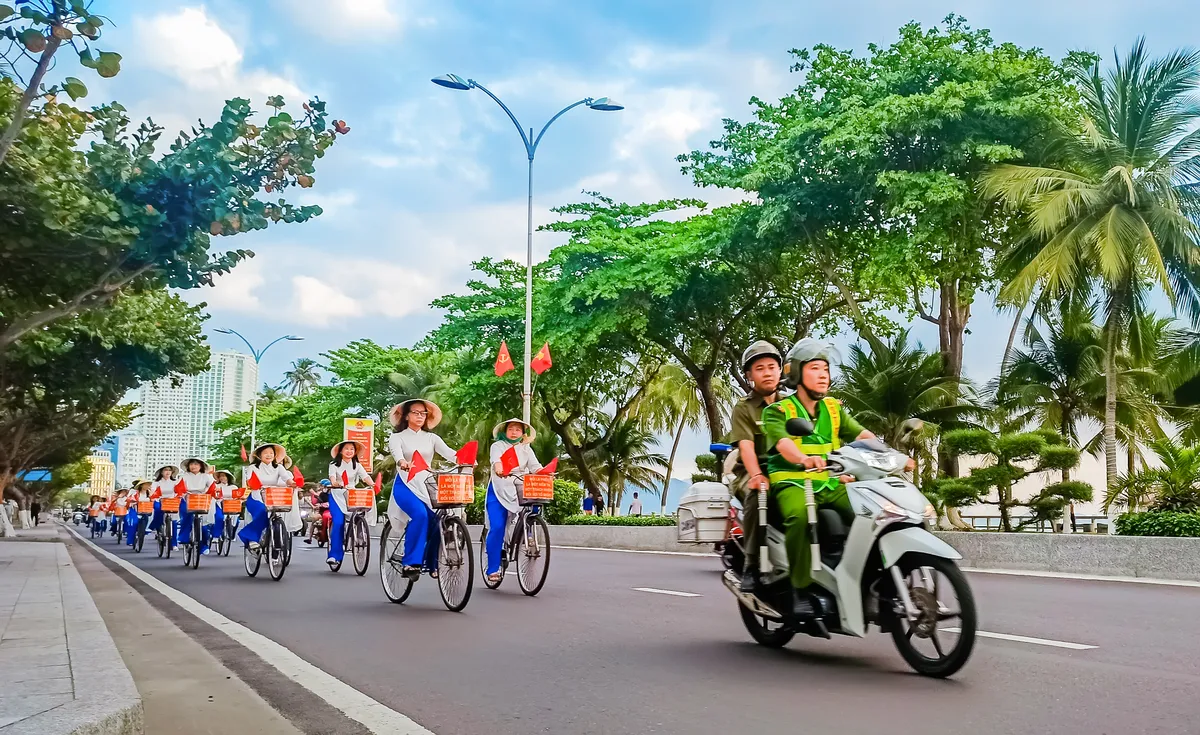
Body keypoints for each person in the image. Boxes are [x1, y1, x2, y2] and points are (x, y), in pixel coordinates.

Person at [762, 338, 899, 618]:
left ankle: (870, 580)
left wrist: (893, 454)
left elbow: (862, 435)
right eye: (815, 368)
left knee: (875, 511)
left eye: (825, 369)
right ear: (797, 373)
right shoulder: (778, 411)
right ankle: (798, 589)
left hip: (829, 482)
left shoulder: (834, 409)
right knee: (799, 518)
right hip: (793, 482)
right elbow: (784, 445)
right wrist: (803, 459)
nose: (823, 375)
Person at [729, 340, 785, 592]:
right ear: (750, 375)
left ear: (780, 370)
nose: (767, 372)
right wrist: (757, 475)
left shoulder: (791, 406)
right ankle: (751, 565)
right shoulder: (744, 408)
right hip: (751, 471)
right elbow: (747, 448)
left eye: (772, 366)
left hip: (785, 470)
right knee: (757, 495)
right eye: (759, 368)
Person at [386, 399, 462, 579]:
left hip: (427, 485)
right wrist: (402, 462)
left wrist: (465, 460)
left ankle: (431, 561)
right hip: (406, 483)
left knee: (437, 521)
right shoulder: (397, 437)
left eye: (423, 413)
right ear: (406, 415)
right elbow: (397, 454)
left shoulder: (432, 438)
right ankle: (410, 563)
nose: (420, 416)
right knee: (420, 515)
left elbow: (450, 453)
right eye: (416, 412)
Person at [484, 419, 543, 585]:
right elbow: (496, 461)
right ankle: (493, 568)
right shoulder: (498, 446)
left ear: (523, 433)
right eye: (511, 429)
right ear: (505, 431)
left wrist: (544, 472)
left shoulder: (526, 449)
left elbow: (535, 466)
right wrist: (499, 469)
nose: (514, 432)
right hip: (499, 489)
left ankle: (528, 533)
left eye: (518, 429)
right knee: (497, 527)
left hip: (519, 487)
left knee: (535, 503)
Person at [237, 444, 298, 552]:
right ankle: (251, 538)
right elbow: (249, 481)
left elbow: (287, 478)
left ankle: (274, 540)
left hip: (273, 497)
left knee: (276, 516)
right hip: (256, 497)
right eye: (265, 453)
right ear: (259, 455)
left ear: (275, 455)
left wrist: (292, 483)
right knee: (262, 511)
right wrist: (253, 484)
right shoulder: (253, 467)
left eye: (271, 453)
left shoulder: (279, 467)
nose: (268, 455)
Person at [327, 440, 375, 569]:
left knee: (359, 516)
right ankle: (335, 555)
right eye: (346, 449)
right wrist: (336, 483)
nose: (349, 451)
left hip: (352, 495)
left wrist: (373, 484)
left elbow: (365, 477)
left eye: (352, 449)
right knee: (338, 522)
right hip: (337, 495)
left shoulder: (357, 465)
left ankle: (358, 537)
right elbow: (332, 477)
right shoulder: (334, 464)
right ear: (341, 451)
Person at [176, 458, 215, 555]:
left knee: (204, 525)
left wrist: (212, 492)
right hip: (187, 498)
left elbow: (212, 487)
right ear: (188, 466)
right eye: (192, 464)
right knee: (186, 517)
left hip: (202, 500)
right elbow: (178, 487)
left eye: (196, 464)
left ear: (201, 466)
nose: (194, 466)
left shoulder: (206, 476)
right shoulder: (184, 476)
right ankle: (184, 537)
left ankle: (204, 545)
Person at [147, 464, 181, 549]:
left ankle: (174, 544)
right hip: (160, 500)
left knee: (173, 522)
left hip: (171, 502)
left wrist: (179, 496)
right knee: (158, 509)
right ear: (161, 472)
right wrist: (152, 495)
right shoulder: (157, 483)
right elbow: (153, 492)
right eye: (165, 470)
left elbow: (179, 491)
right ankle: (153, 527)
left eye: (169, 470)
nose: (168, 472)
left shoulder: (175, 482)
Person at [209, 470, 239, 546]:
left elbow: (237, 496)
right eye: (220, 476)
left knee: (237, 521)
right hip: (219, 504)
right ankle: (216, 536)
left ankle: (232, 534)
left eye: (224, 476)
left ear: (228, 477)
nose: (222, 478)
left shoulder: (234, 487)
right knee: (219, 518)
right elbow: (214, 496)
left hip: (231, 505)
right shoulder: (216, 486)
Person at [127, 480, 151, 547]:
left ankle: (144, 532)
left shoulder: (149, 493)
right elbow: (129, 499)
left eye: (148, 485)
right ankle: (131, 540)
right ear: (141, 485)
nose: (146, 486)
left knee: (146, 522)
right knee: (133, 524)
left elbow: (154, 499)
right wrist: (133, 502)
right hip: (135, 510)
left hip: (146, 510)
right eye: (145, 484)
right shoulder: (135, 492)